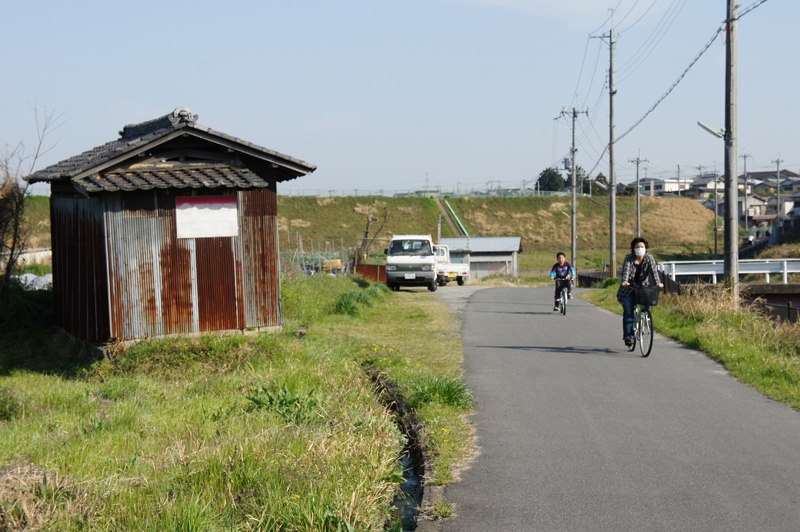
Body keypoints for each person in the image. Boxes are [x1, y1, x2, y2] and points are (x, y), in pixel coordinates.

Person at [617, 237, 664, 346]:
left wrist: (658, 283)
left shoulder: (649, 258)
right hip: (629, 288)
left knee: (647, 307)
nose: (639, 249)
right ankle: (628, 337)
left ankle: (645, 322)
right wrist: (625, 281)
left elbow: (654, 272)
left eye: (642, 247)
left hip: (644, 289)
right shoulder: (629, 258)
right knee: (628, 311)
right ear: (633, 249)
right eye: (637, 247)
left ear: (646, 248)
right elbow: (626, 271)